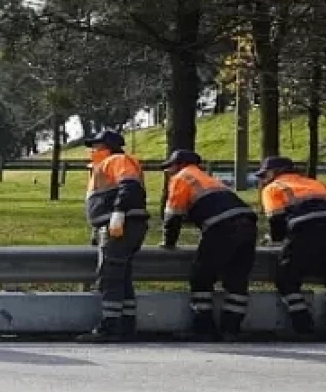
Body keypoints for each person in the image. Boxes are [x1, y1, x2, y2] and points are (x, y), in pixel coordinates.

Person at [159, 150, 259, 341]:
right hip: (247, 224)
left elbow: (173, 216)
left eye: (169, 167)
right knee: (237, 279)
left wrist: (168, 243)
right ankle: (231, 329)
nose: (168, 171)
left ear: (178, 165)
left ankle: (204, 328)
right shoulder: (208, 179)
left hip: (222, 228)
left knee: (201, 276)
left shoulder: (181, 178)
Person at [255, 156, 326, 340]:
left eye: (264, 174)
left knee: (287, 279)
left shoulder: (273, 188)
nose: (262, 179)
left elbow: (276, 221)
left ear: (275, 172)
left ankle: (304, 326)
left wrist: (276, 239)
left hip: (303, 232)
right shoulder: (319, 184)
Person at [78, 130, 149, 343]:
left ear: (107, 146)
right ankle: (126, 324)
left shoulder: (117, 160)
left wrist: (118, 213)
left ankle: (110, 327)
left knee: (110, 276)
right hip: (119, 225)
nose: (93, 150)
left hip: (120, 226)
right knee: (121, 276)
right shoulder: (102, 167)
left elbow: (130, 187)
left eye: (97, 145)